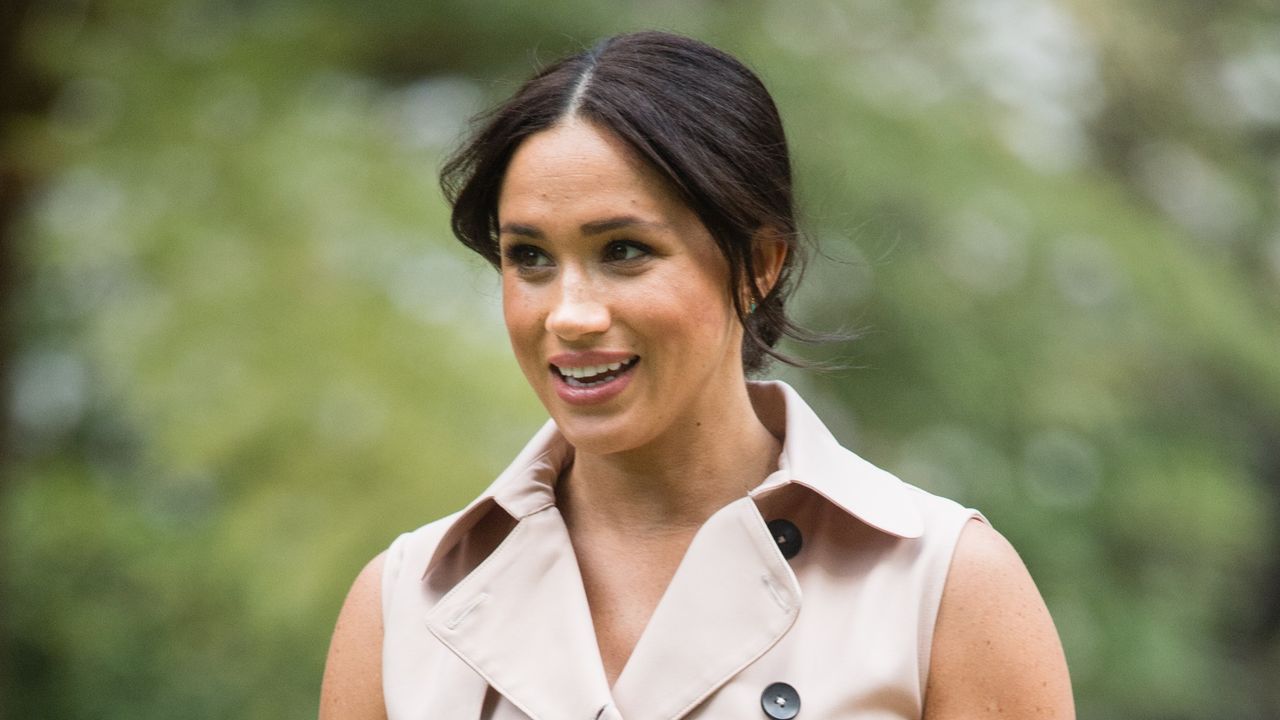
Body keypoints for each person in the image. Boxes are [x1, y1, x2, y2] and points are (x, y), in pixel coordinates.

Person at [319, 31, 1074, 720]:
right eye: (530, 258)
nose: (569, 315)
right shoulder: (402, 605)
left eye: (623, 251)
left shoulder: (943, 584)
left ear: (759, 263)